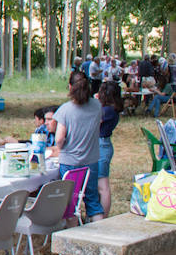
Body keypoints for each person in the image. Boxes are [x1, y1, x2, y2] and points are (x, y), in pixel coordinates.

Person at [52, 70, 105, 222]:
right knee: (93, 200)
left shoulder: (65, 110)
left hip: (70, 162)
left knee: (70, 203)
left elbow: (59, 138)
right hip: (91, 160)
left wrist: (61, 146)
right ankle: (99, 234)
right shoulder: (96, 105)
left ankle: (71, 236)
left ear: (70, 87)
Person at [96, 81, 124, 216]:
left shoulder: (107, 110)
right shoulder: (111, 109)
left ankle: (103, 215)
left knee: (103, 185)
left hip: (101, 145)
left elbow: (94, 121)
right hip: (103, 144)